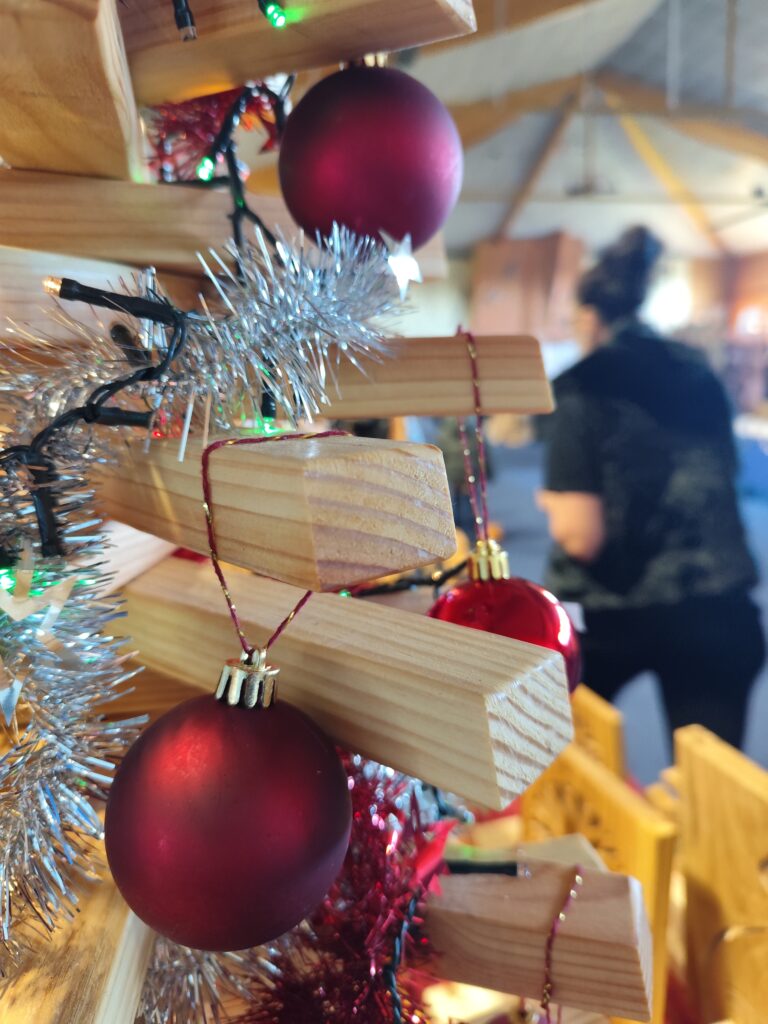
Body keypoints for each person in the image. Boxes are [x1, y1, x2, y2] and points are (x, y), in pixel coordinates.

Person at [537, 226, 765, 748]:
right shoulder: (698, 372)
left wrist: (550, 500)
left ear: (590, 317)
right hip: (719, 608)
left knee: (565, 758)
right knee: (708, 787)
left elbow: (580, 537)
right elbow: (719, 473)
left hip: (616, 612)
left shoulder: (582, 388)